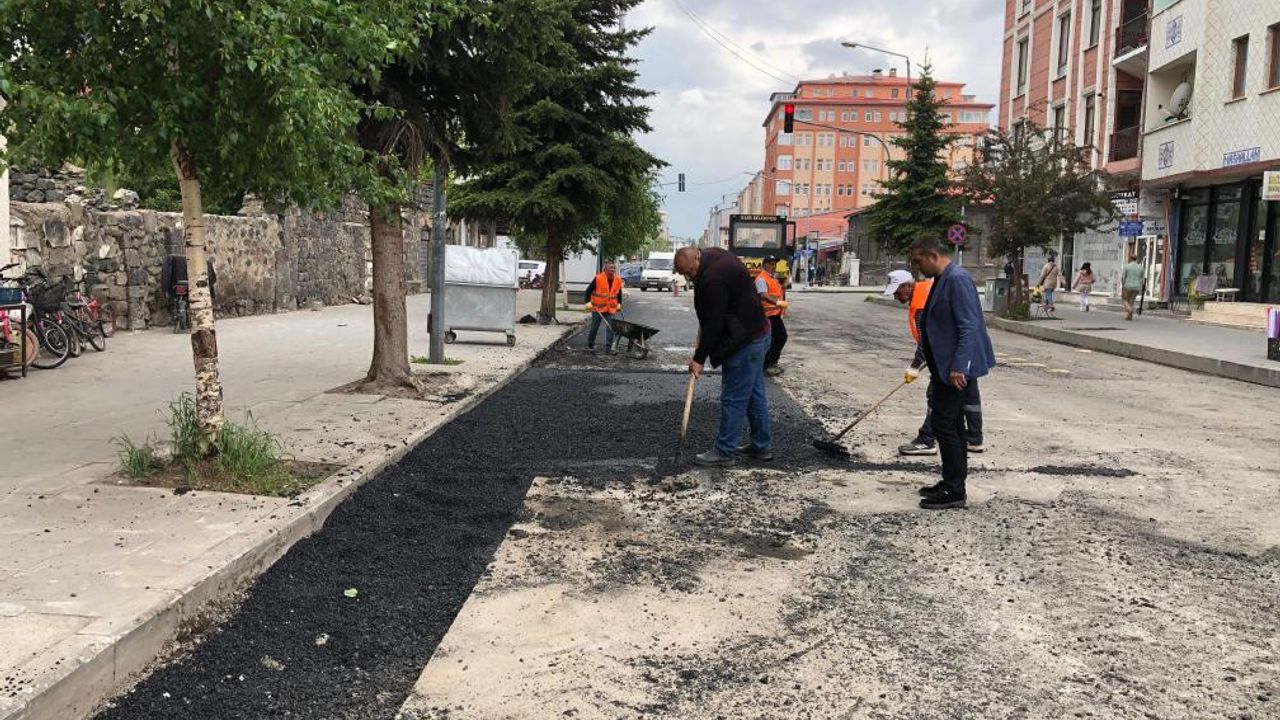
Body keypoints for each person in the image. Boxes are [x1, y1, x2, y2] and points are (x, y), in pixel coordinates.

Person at [909, 237, 996, 510]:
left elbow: (968, 325)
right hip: (945, 367)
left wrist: (960, 364)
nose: (918, 268)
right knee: (953, 424)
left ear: (933, 255)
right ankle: (951, 482)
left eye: (918, 261)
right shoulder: (944, 278)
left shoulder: (957, 279)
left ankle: (955, 489)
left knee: (946, 425)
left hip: (955, 369)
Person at [675, 246, 772, 467]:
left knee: (734, 397)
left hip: (745, 341)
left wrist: (699, 359)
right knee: (754, 394)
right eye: (683, 274)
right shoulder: (713, 255)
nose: (688, 277)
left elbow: (714, 325)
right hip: (757, 331)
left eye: (689, 272)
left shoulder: (713, 278)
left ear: (697, 257)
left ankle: (724, 450)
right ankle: (761, 446)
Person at [884, 269, 984, 457]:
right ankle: (974, 438)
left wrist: (914, 367)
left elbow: (928, 341)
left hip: (953, 353)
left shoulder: (922, 303)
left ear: (907, 286)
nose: (896, 297)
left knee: (936, 395)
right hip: (968, 346)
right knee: (969, 394)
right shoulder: (927, 291)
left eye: (897, 292)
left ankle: (927, 440)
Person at [754, 255, 788, 377]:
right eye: (771, 264)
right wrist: (777, 302)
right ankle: (768, 364)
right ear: (765, 265)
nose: (774, 266)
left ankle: (769, 363)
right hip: (768, 315)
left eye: (775, 264)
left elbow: (778, 293)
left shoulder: (772, 278)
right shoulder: (761, 279)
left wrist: (781, 306)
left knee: (774, 340)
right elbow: (763, 294)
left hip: (775, 314)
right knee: (780, 338)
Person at [583, 260, 623, 353]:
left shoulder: (617, 280)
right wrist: (588, 303)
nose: (612, 270)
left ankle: (609, 348)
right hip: (598, 308)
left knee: (611, 327)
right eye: (610, 268)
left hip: (610, 308)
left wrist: (619, 304)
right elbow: (588, 291)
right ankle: (590, 344)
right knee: (595, 326)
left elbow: (619, 293)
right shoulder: (598, 278)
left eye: (613, 268)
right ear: (605, 269)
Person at [1121, 253, 1144, 320]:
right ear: (1136, 259)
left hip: (1128, 286)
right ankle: (1129, 316)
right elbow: (1141, 278)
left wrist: (1123, 286)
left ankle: (1130, 310)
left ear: (1130, 259)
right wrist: (1141, 287)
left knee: (1125, 300)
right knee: (1132, 301)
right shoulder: (1140, 267)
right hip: (1137, 287)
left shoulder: (1127, 266)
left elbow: (1123, 277)